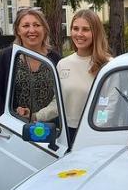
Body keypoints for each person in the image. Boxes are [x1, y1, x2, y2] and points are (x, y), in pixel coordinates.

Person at [25, 9, 112, 144]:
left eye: (86, 29)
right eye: (75, 28)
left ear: (95, 32)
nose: (79, 34)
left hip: (96, 134)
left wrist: (98, 127)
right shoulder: (63, 64)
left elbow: (110, 104)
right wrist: (34, 116)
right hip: (66, 134)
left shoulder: (108, 65)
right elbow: (58, 103)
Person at [0, 8, 61, 132]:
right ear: (18, 30)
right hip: (15, 130)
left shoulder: (55, 60)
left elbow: (61, 97)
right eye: (26, 26)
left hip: (49, 131)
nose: (32, 30)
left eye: (37, 25)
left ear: (44, 29)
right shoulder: (6, 58)